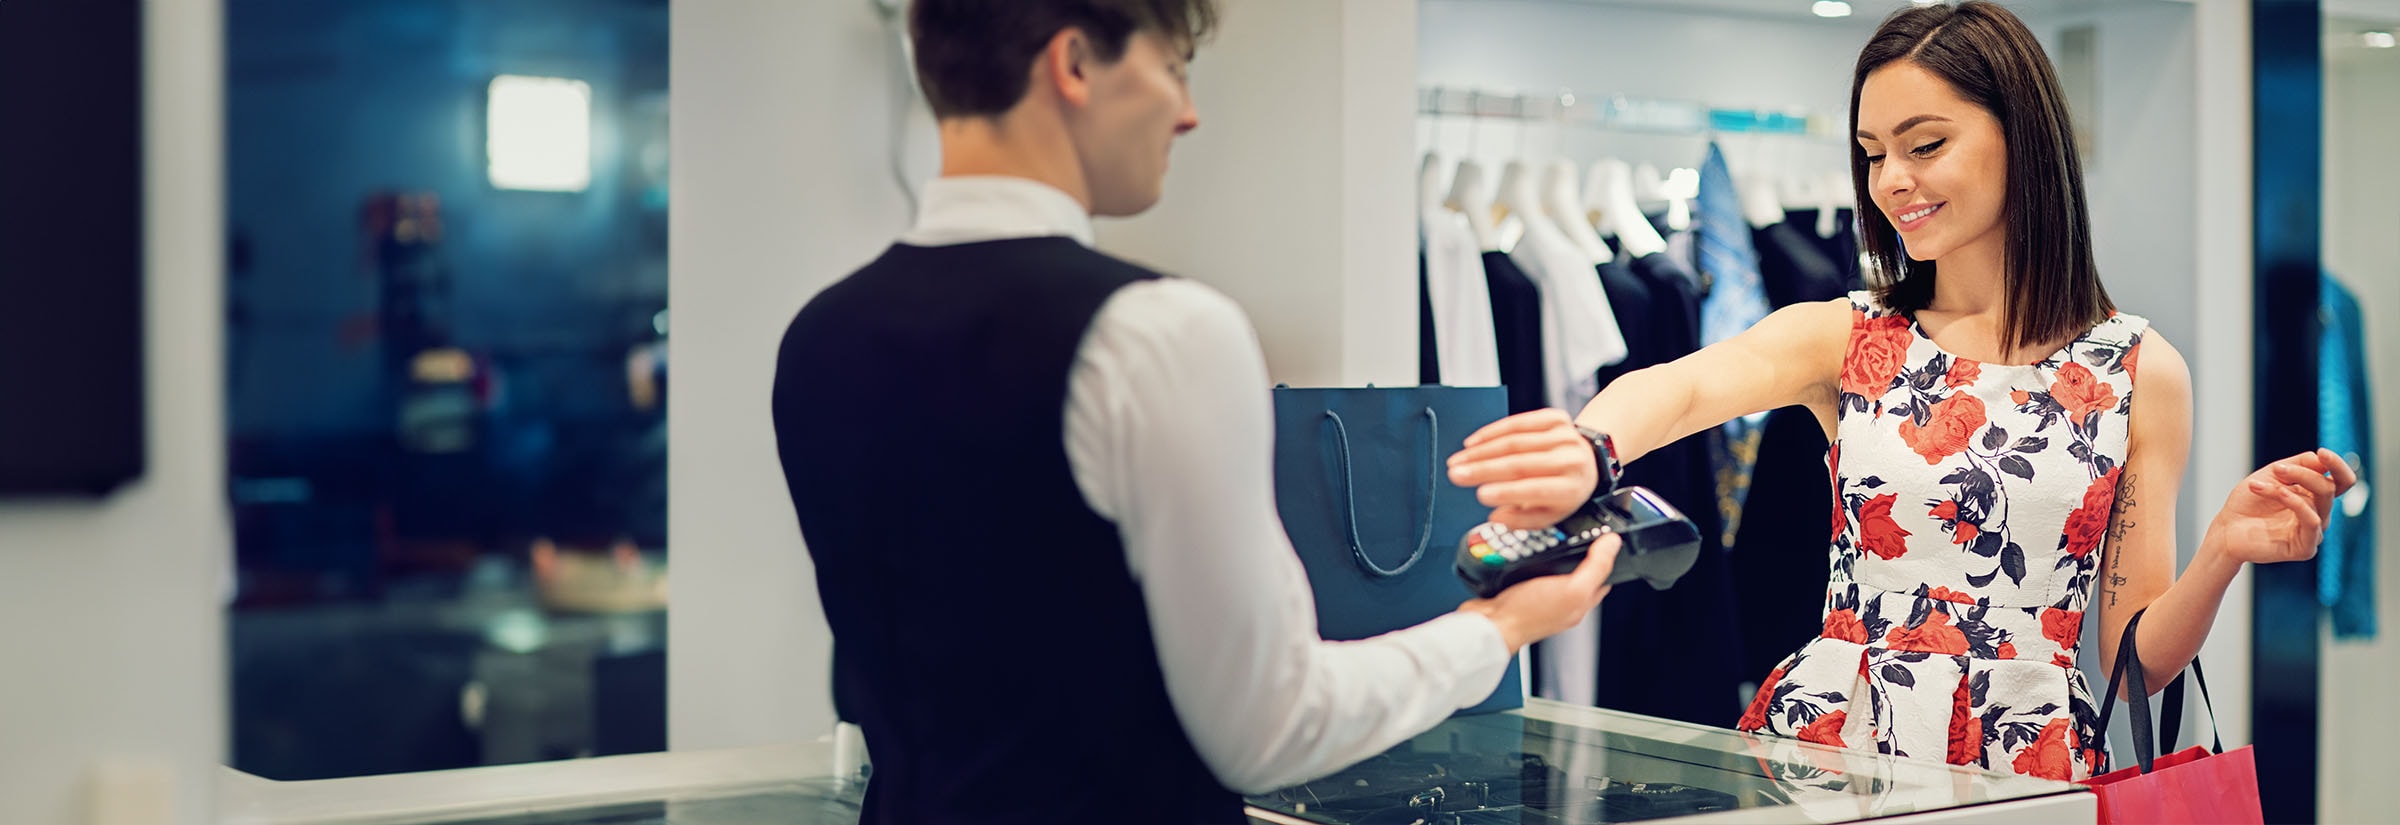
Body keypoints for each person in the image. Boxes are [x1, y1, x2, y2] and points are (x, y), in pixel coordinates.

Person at [1446, 0, 2354, 782]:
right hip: (1839, 734)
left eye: (1925, 145)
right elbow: (1681, 389)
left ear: (2022, 138)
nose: (1891, 183)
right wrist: (1590, 445)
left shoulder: (2135, 369)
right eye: (1874, 153)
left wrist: (2222, 550)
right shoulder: (1849, 335)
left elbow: (2133, 661)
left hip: (2026, 758)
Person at [769, 2, 1617, 821]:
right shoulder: (1156, 332)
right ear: (1072, 63)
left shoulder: (819, 334)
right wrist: (1498, 628)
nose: (1188, 113)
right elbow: (1272, 727)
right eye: (1174, 69)